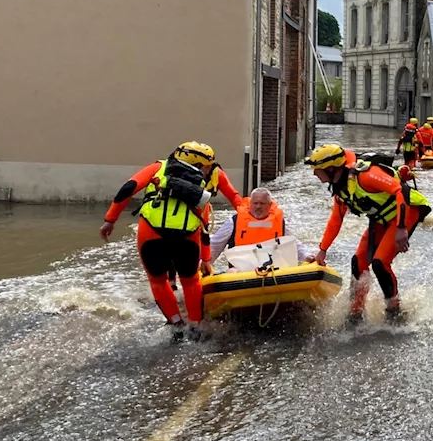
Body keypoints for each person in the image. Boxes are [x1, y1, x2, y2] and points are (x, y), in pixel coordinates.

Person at [100, 142, 244, 341]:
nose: (212, 167)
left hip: (151, 234)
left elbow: (128, 188)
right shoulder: (209, 180)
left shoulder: (158, 167)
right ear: (201, 165)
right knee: (191, 280)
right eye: (209, 164)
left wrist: (110, 220)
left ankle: (176, 323)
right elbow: (223, 210)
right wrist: (207, 258)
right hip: (187, 236)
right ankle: (195, 326)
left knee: (157, 281)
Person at [304, 144, 431, 325]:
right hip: (381, 219)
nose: (314, 173)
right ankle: (356, 312)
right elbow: (335, 221)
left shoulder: (365, 176)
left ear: (331, 169)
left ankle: (394, 311)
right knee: (358, 262)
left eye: (317, 169)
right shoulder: (341, 188)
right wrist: (322, 250)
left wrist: (402, 228)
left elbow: (399, 191)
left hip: (406, 211)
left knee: (380, 263)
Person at [208, 187, 308, 266]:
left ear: (269, 205)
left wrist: (307, 256)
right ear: (250, 204)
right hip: (241, 268)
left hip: (271, 267)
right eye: (255, 203)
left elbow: (294, 243)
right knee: (232, 271)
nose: (258, 206)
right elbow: (215, 245)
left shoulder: (278, 222)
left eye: (262, 203)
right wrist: (204, 263)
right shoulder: (234, 222)